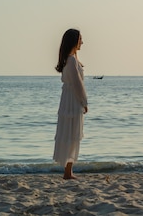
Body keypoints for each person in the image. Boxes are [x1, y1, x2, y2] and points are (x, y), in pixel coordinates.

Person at [53, 28, 88, 180]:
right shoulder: (72, 60)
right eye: (80, 39)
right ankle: (68, 172)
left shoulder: (70, 59)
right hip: (72, 100)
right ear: (74, 41)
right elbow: (77, 84)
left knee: (70, 134)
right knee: (73, 134)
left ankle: (68, 171)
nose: (82, 42)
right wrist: (84, 101)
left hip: (67, 99)